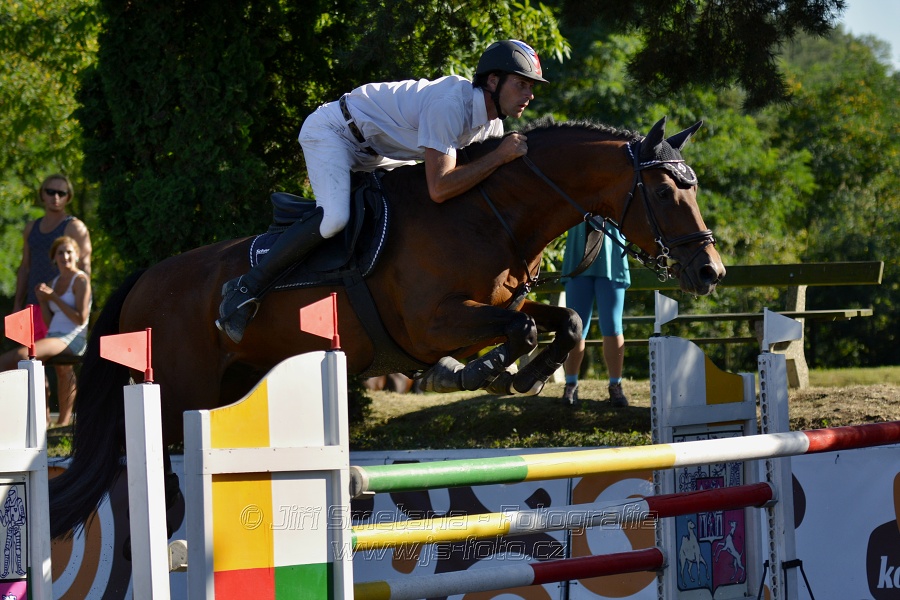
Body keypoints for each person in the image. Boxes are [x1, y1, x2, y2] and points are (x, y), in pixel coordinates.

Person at [217, 39, 548, 343]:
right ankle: (245, 288)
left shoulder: (492, 126)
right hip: (335, 132)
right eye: (521, 84)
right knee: (335, 218)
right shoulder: (450, 104)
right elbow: (441, 187)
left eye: (531, 87)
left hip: (378, 152)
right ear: (493, 81)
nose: (529, 95)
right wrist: (499, 157)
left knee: (410, 211)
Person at [13, 175, 92, 426]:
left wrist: (81, 302)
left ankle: (65, 422)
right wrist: (17, 303)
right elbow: (25, 267)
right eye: (50, 191)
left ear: (68, 197)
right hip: (33, 304)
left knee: (63, 367)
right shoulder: (32, 228)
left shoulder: (74, 226)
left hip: (62, 306)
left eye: (61, 193)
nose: (55, 197)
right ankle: (42, 421)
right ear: (42, 194)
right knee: (31, 363)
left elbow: (85, 266)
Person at [3, 236, 92, 426]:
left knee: (23, 355)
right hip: (54, 335)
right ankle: (42, 419)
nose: (65, 256)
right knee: (49, 367)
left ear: (77, 255)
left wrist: (54, 298)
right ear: (54, 258)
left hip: (73, 338)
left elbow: (81, 318)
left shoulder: (81, 280)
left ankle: (62, 422)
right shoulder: (53, 282)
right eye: (60, 253)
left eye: (69, 252)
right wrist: (43, 301)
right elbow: (50, 322)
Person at [560, 222, 631, 407]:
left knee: (613, 327)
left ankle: (616, 386)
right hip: (578, 260)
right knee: (575, 329)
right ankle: (571, 385)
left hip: (612, 261)